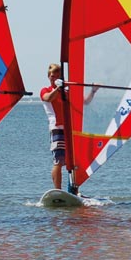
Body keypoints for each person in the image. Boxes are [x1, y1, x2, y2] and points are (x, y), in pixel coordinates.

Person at [40, 63, 97, 191]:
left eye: (56, 76)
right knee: (59, 161)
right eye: (52, 76)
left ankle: (73, 188)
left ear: (61, 76)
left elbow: (84, 102)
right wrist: (58, 88)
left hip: (70, 130)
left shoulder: (66, 92)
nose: (54, 78)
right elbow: (48, 98)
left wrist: (93, 91)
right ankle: (58, 191)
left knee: (72, 161)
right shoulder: (46, 90)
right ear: (49, 77)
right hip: (57, 128)